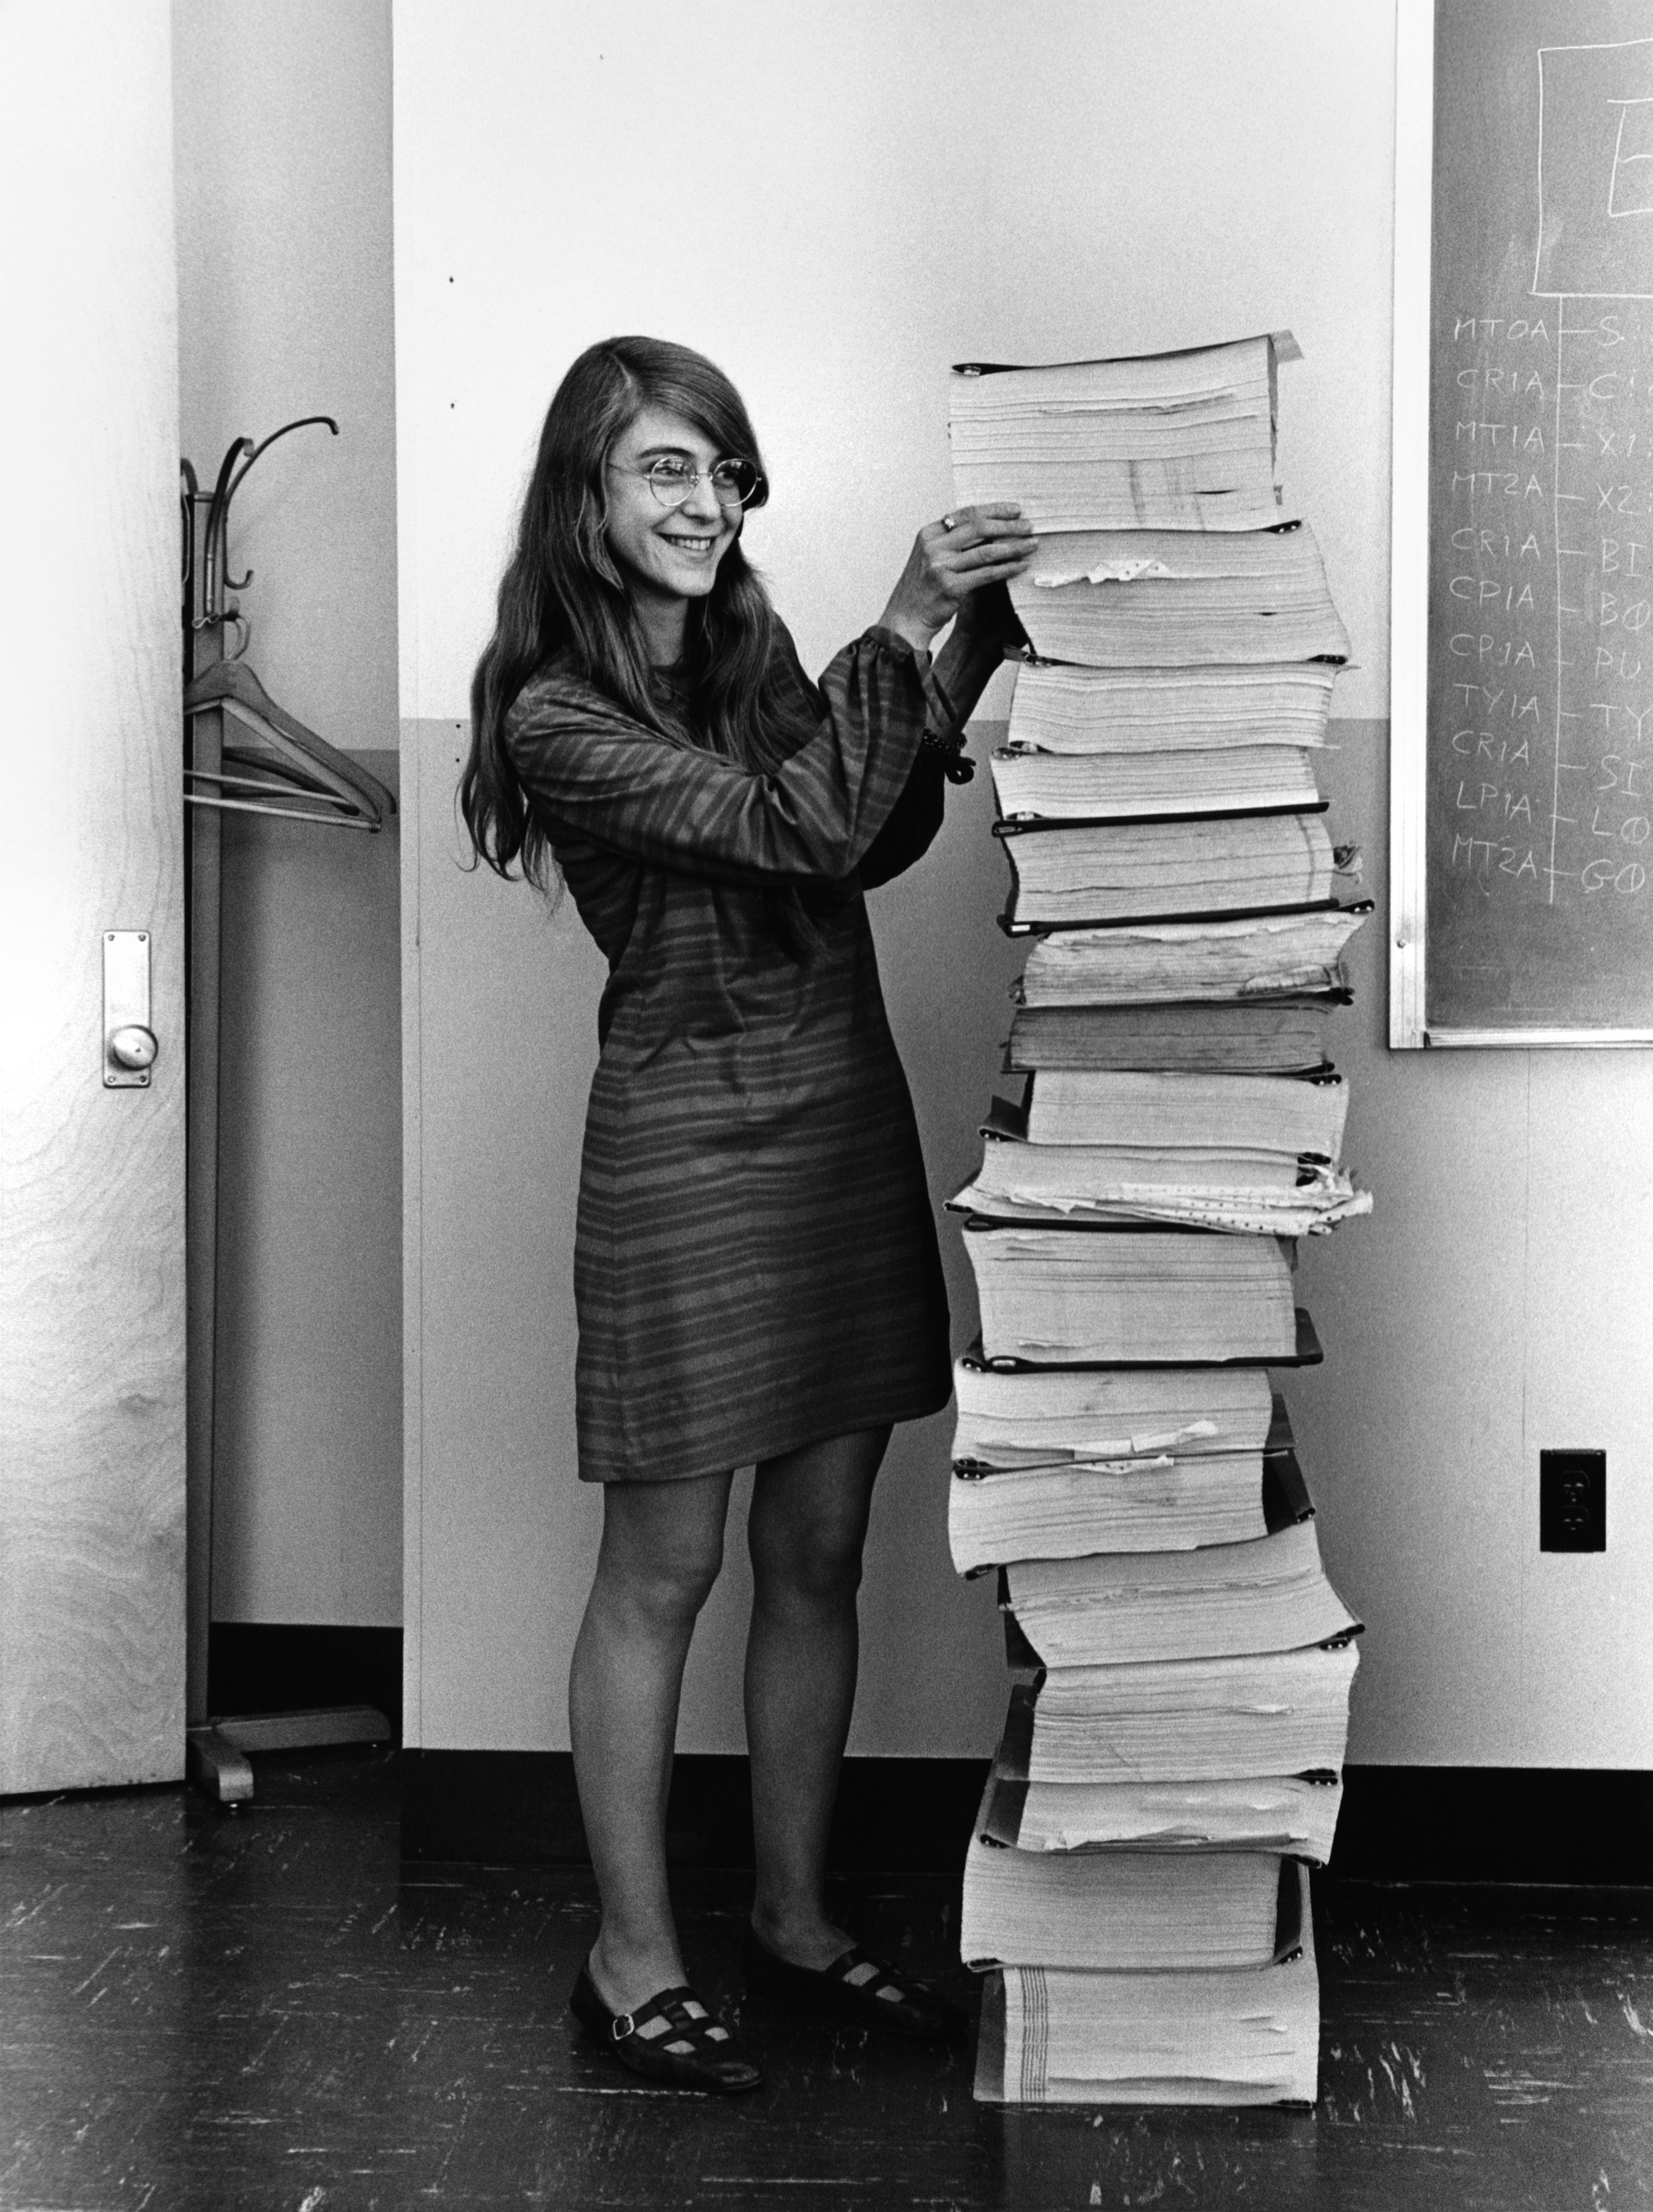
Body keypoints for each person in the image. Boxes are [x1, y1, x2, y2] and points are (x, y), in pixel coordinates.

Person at [459, 335, 1032, 2094]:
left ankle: (790, 1913)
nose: (707, 503)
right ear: (585, 492)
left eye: (721, 470)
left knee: (818, 1550)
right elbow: (794, 823)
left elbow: (861, 835)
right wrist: (903, 618)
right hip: (684, 1146)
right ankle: (630, 1958)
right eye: (666, 468)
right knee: (666, 1569)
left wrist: (969, 646)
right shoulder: (556, 716)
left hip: (833, 1118)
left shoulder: (750, 649)